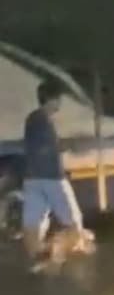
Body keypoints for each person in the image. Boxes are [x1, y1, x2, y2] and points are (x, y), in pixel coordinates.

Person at [22, 80, 93, 270]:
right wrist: (72, 144)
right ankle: (57, 248)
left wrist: (67, 144)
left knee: (32, 225)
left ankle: (41, 259)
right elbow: (48, 148)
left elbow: (42, 147)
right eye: (59, 99)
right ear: (53, 100)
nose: (60, 103)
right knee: (75, 225)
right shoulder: (41, 120)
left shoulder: (34, 119)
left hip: (32, 179)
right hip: (51, 179)